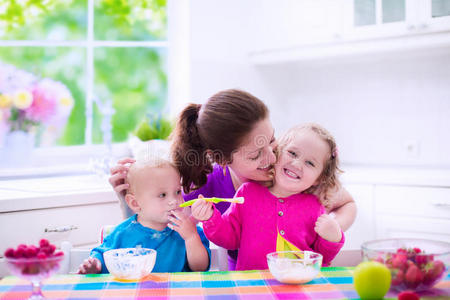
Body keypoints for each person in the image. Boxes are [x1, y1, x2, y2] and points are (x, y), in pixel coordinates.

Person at [109, 89, 356, 269]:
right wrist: (126, 200)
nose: (271, 157)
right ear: (222, 159)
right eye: (256, 155)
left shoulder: (292, 175)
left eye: (271, 140)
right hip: (246, 281)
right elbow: (153, 233)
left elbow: (347, 203)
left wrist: (324, 230)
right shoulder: (207, 187)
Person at [191, 123, 345, 270]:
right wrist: (210, 218)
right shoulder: (248, 193)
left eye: (310, 163)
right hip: (252, 286)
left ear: (319, 178)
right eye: (292, 153)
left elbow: (322, 258)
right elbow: (228, 238)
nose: (297, 164)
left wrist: (333, 238)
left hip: (298, 285)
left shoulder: (315, 207)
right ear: (277, 153)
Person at [78, 147, 211, 274]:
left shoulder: (189, 230)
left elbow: (200, 268)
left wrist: (191, 237)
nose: (174, 200)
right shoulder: (121, 233)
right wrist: (95, 265)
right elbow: (101, 256)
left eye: (177, 192)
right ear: (135, 203)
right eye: (162, 195)